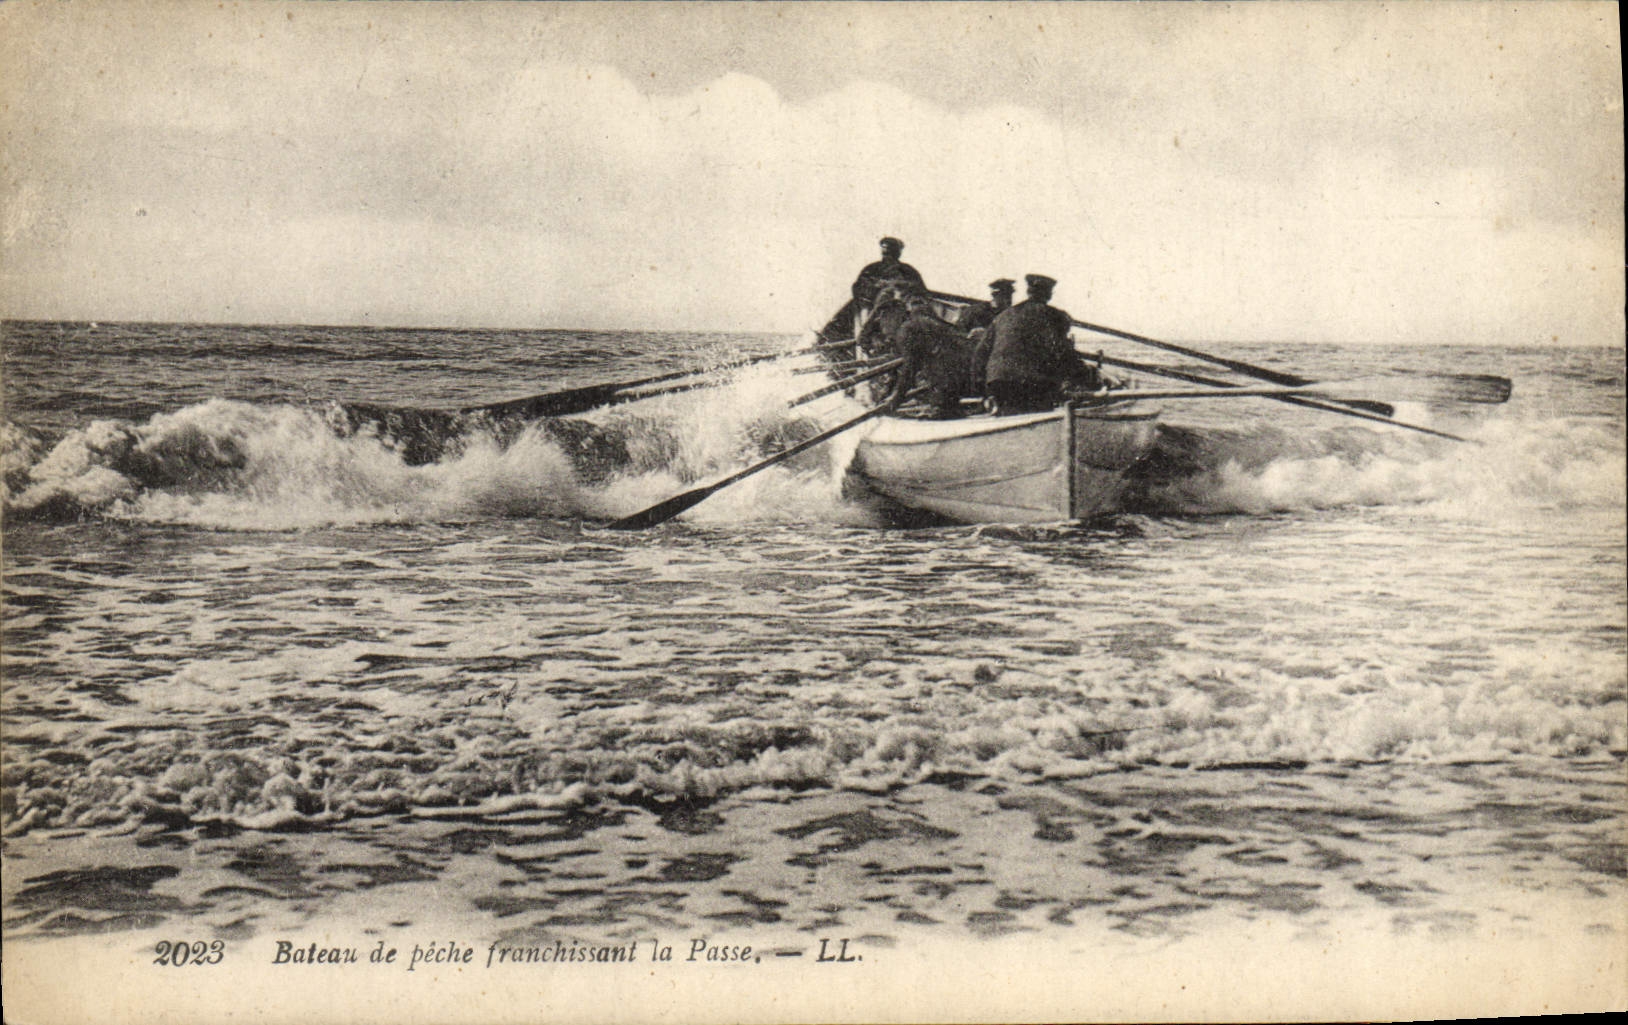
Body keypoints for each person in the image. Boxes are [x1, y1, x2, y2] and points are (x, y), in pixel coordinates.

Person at [982, 274, 1100, 415]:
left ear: (1028, 291)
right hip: (1032, 383)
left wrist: (984, 390)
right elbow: (1062, 351)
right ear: (1049, 294)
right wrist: (1086, 375)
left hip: (997, 382)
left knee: (1010, 417)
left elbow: (980, 354)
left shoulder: (1002, 316)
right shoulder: (1053, 315)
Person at [887, 294, 972, 418]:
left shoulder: (908, 328)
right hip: (966, 384)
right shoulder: (944, 325)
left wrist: (895, 399)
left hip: (943, 385)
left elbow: (910, 368)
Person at [850, 237, 926, 306]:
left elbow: (920, 289)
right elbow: (859, 287)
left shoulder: (908, 270)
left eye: (890, 250)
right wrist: (876, 287)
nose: (887, 253)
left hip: (904, 305)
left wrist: (902, 286)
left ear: (898, 252)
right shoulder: (871, 269)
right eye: (885, 250)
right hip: (875, 305)